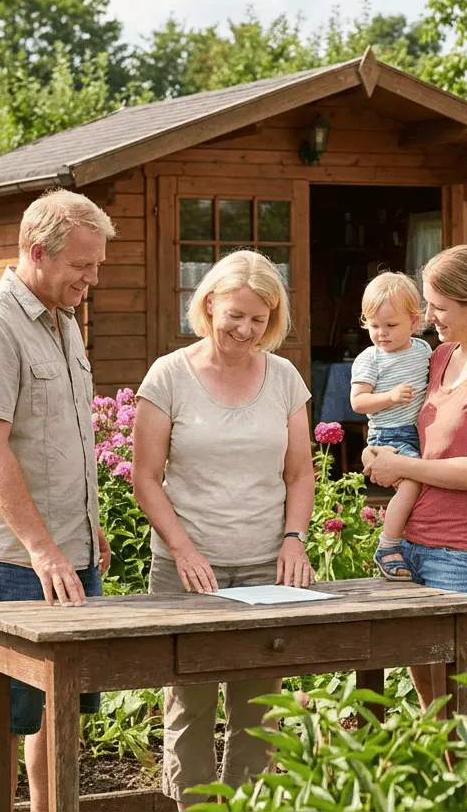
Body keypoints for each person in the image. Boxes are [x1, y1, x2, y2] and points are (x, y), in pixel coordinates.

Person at [0, 189, 117, 812]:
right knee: (5, 707)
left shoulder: (63, 321)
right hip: (14, 557)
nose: (91, 279)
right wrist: (43, 550)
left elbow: (61, 437)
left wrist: (86, 526)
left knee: (60, 700)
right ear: (37, 251)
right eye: (81, 265)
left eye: (97, 266)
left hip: (69, 546)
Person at [130, 249, 315, 809]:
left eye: (259, 320)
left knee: (260, 704)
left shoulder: (283, 377)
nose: (245, 329)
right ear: (209, 303)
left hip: (264, 564)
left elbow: (300, 472)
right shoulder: (168, 375)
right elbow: (145, 477)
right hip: (191, 566)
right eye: (235, 315)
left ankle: (250, 805)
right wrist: (182, 548)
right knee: (191, 700)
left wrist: (294, 539)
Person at [362, 244, 467, 732]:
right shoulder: (440, 357)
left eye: (439, 307)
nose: (429, 316)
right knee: (430, 701)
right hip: (412, 545)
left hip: (464, 553)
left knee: (463, 697)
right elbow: (405, 432)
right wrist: (379, 454)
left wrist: (406, 468)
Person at [348, 271, 432, 580]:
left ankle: (412, 543)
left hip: (420, 432)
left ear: (414, 321)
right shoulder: (371, 359)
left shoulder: (423, 350)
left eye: (391, 325)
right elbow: (358, 402)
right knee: (412, 482)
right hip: (390, 434)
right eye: (374, 326)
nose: (381, 333)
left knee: (427, 486)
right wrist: (390, 396)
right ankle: (387, 546)